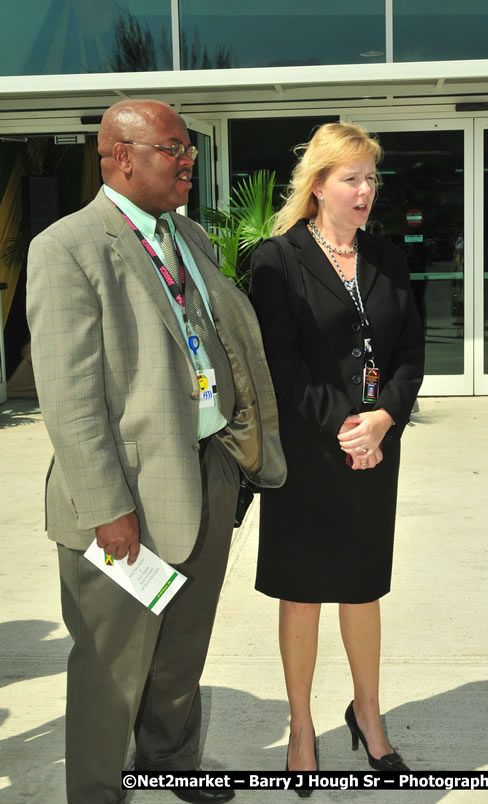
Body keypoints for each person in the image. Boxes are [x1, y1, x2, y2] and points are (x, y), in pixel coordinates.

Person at [26, 99, 286, 804]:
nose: (188, 160)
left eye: (187, 148)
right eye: (173, 148)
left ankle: (170, 763)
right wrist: (109, 509)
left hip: (205, 473)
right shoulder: (66, 248)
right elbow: (71, 401)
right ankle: (97, 791)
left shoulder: (187, 235)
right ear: (121, 157)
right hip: (123, 499)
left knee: (179, 655)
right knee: (112, 668)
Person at [249, 122, 425, 787]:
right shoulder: (277, 259)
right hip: (308, 451)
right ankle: (301, 726)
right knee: (301, 594)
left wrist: (383, 420)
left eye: (371, 179)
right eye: (351, 178)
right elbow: (282, 366)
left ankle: (368, 715)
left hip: (375, 451)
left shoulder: (389, 256)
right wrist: (347, 426)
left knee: (362, 587)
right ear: (318, 184)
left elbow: (411, 351)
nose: (364, 192)